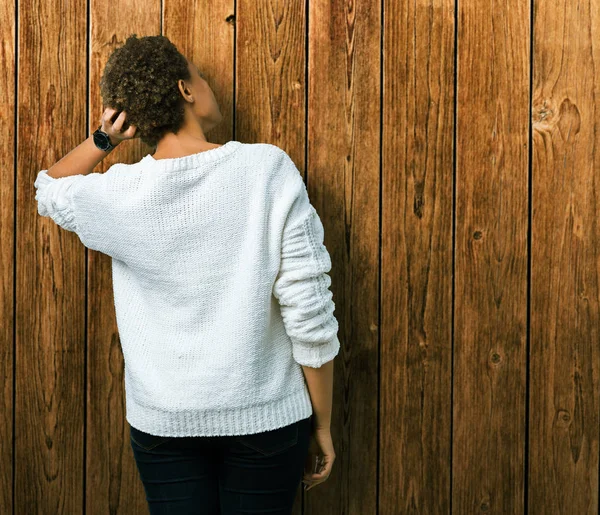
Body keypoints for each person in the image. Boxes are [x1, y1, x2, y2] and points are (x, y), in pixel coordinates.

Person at [33, 34, 340, 514]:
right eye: (200, 74)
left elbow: (49, 189)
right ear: (185, 90)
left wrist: (106, 137)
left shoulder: (122, 192)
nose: (207, 81)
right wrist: (321, 422)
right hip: (267, 420)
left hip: (164, 424)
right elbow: (310, 312)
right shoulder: (266, 170)